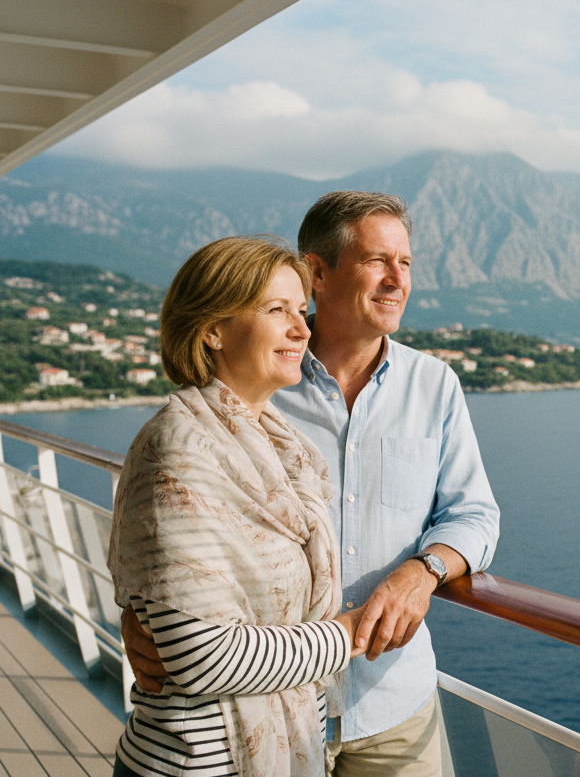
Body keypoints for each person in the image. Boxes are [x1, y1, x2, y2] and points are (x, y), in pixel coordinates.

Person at [123, 193, 501, 777]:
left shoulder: (432, 386)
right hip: (241, 719)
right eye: (378, 260)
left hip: (387, 700)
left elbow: (474, 513)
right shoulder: (253, 390)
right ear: (318, 271)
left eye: (407, 262)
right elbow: (167, 526)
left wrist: (423, 572)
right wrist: (146, 612)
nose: (398, 279)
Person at [108, 237, 372, 777]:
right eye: (277, 311)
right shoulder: (180, 452)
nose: (303, 329)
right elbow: (206, 659)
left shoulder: (282, 448)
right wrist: (351, 634)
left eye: (302, 311)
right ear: (213, 329)